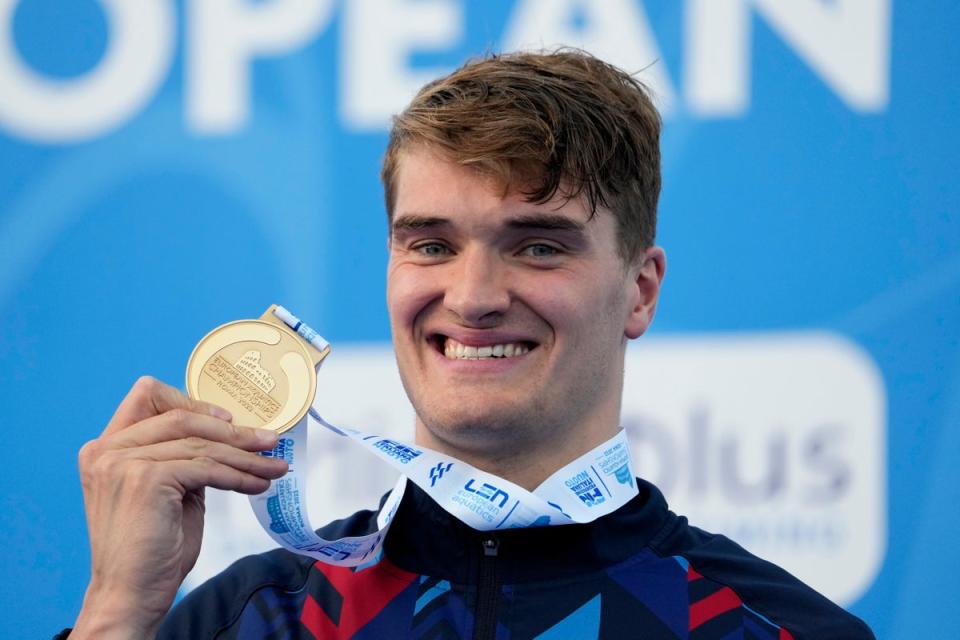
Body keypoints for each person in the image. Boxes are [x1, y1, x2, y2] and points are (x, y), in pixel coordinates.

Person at [65, 50, 874, 639]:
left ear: (640, 289)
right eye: (431, 244)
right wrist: (115, 614)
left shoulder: (779, 629)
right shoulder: (245, 620)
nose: (475, 297)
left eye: (538, 245)